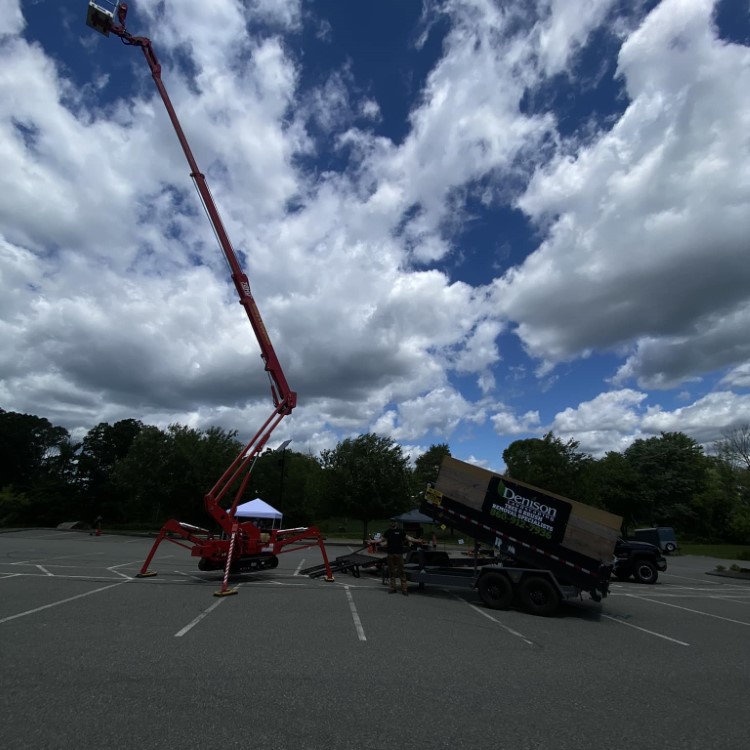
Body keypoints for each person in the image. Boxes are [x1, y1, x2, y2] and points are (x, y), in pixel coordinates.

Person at [379, 520, 421, 596]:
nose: (392, 523)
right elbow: (381, 540)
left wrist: (417, 540)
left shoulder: (400, 531)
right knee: (391, 572)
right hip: (390, 554)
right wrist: (372, 541)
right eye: (391, 522)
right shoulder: (387, 532)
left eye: (394, 522)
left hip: (399, 554)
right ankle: (392, 588)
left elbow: (408, 538)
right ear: (390, 523)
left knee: (401, 571)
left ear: (396, 523)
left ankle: (404, 589)